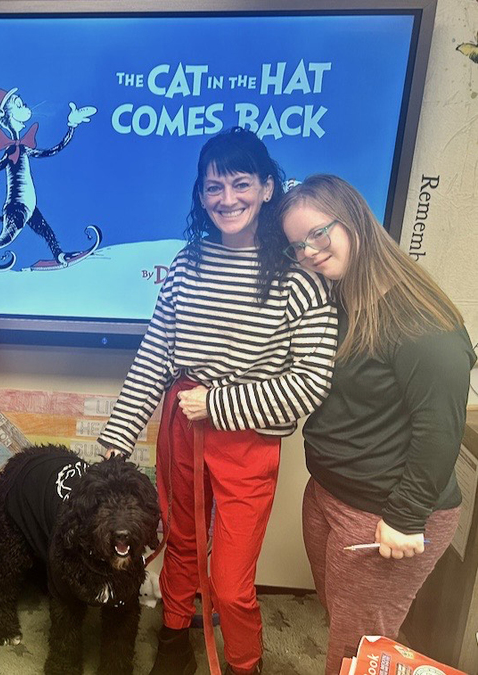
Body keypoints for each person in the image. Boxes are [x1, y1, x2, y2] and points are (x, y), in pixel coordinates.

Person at [97, 127, 339, 675]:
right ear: (200, 195)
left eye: (240, 183)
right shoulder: (188, 263)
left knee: (230, 580)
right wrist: (116, 439)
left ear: (268, 187)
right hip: (183, 425)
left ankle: (244, 663)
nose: (226, 198)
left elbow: (307, 387)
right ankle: (174, 641)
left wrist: (219, 403)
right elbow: (156, 354)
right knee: (180, 545)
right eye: (213, 187)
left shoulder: (303, 279)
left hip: (247, 442)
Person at [279, 174, 476, 674]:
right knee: (344, 620)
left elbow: (439, 432)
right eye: (297, 246)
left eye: (318, 234)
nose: (310, 252)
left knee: (357, 647)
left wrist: (406, 517)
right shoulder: (340, 299)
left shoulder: (422, 324)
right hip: (330, 494)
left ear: (354, 220)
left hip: (385, 512)